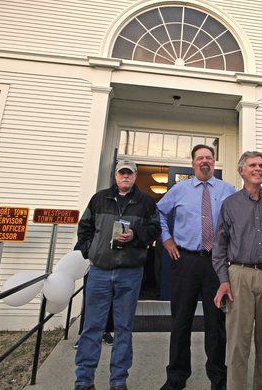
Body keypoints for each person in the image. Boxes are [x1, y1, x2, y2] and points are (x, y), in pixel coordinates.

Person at [75, 160, 161, 390]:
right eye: (122, 173)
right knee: (92, 327)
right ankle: (84, 380)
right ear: (115, 176)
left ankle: (118, 381)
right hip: (100, 271)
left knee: (124, 328)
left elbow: (155, 229)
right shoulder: (99, 199)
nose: (125, 177)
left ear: (135, 176)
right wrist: (91, 251)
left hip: (130, 273)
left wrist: (135, 234)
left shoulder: (146, 202)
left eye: (129, 173)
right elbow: (84, 228)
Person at [158, 144, 237, 390]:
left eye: (209, 158)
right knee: (181, 320)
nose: (205, 161)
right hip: (186, 261)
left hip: (216, 263)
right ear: (193, 163)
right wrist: (166, 238)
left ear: (214, 162)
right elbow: (158, 213)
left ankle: (218, 379)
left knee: (216, 323)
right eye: (200, 158)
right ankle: (176, 377)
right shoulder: (179, 190)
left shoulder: (228, 190)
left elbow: (238, 220)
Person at [212, 151, 262, 390]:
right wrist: (223, 280)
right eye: (252, 165)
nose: (258, 169)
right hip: (239, 275)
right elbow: (219, 246)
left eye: (261, 165)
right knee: (237, 343)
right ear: (241, 171)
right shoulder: (230, 204)